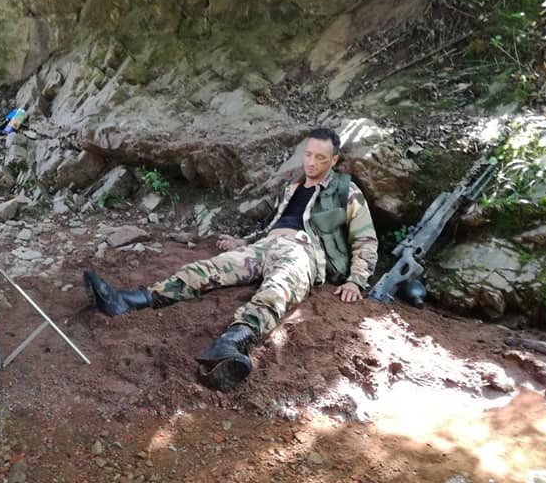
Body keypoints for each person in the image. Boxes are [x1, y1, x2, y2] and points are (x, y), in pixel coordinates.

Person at [83, 127, 378, 392]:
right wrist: (243, 243)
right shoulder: (292, 187)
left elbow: (365, 239)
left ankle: (234, 343)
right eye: (309, 155)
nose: (311, 162)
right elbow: (272, 225)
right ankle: (131, 300)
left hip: (303, 252)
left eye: (321, 158)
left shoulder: (346, 193)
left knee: (278, 289)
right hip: (266, 245)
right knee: (206, 269)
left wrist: (356, 279)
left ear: (334, 161)